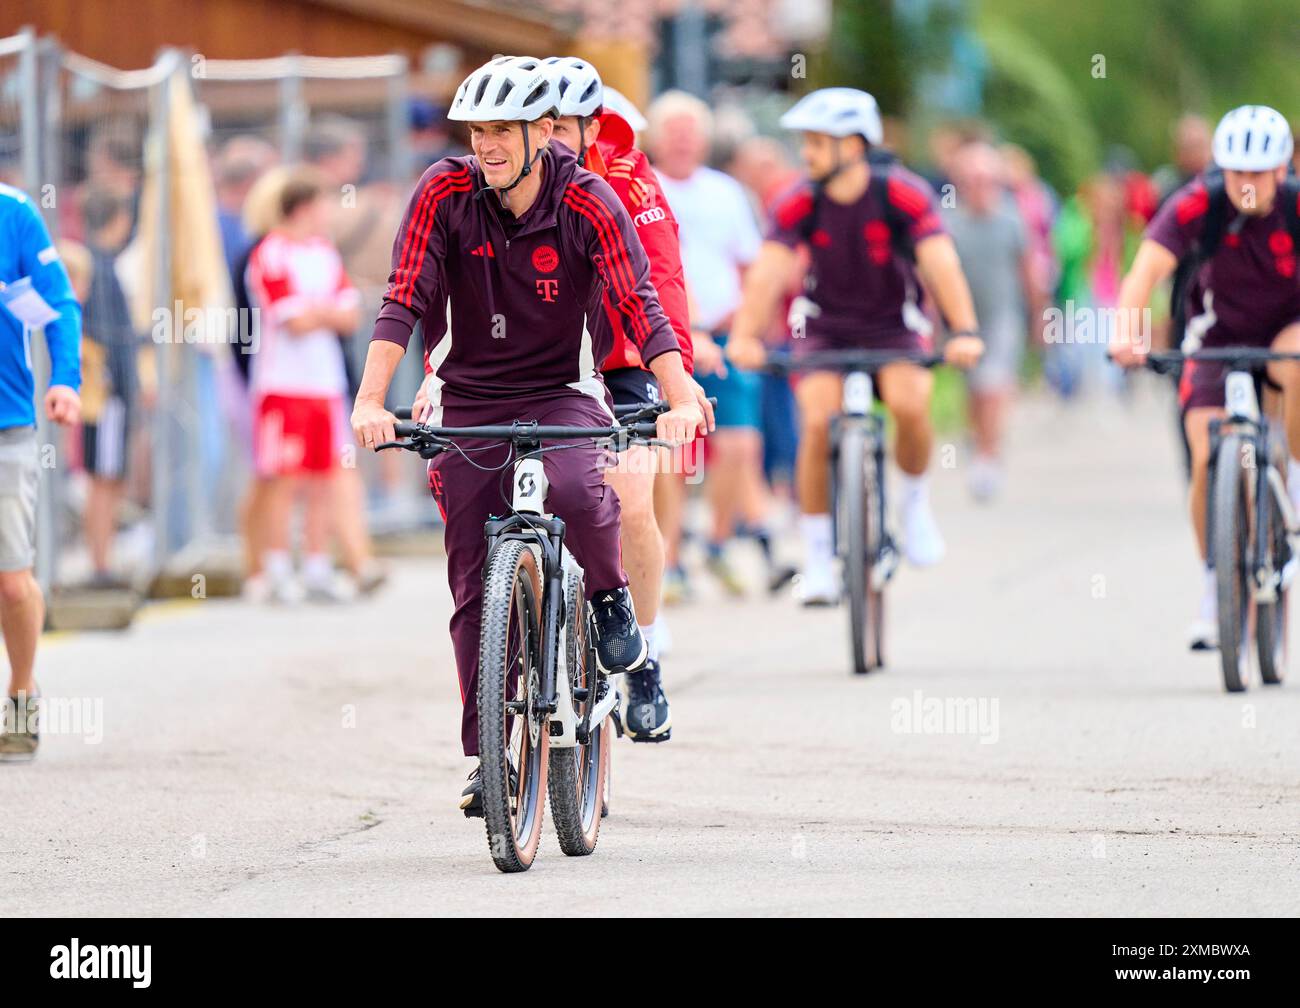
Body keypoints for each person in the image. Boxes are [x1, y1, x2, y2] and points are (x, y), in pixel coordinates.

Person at [350, 56, 706, 814]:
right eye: (478, 130)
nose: (487, 145)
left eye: (503, 130)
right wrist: (371, 399)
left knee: (584, 489)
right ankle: (488, 757)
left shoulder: (592, 197)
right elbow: (403, 294)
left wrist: (679, 393)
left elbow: (643, 303)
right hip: (468, 393)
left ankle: (611, 601)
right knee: (472, 580)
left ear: (544, 132)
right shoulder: (443, 191)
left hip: (565, 388)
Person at [727, 88, 983, 603]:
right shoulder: (800, 200)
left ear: (855, 146)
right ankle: (819, 558)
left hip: (895, 324)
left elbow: (940, 262)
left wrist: (964, 330)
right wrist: (745, 336)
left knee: (911, 403)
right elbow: (769, 272)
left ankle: (913, 506)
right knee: (816, 421)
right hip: (827, 326)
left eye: (818, 142)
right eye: (806, 142)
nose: (807, 153)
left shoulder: (903, 194)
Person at [537, 57, 708, 742]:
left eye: (560, 124)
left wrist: (679, 383)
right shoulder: (491, 181)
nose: (546, 138)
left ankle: (646, 652)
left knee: (630, 499)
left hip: (620, 357)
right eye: (534, 124)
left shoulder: (628, 174)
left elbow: (662, 276)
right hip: (536, 363)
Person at [1111, 105, 1300, 650]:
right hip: (1215, 339)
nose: (1246, 183)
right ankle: (1216, 586)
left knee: (1293, 361)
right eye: (1235, 171)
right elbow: (1144, 269)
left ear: (1281, 170)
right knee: (1205, 454)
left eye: (1258, 171)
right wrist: (1127, 334)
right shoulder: (1198, 203)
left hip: (1286, 329)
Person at [646, 90, 771, 599]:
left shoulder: (726, 191)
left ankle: (718, 542)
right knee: (673, 449)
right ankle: (670, 559)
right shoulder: (644, 187)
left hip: (725, 330)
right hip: (666, 335)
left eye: (689, 131)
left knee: (738, 444)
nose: (681, 140)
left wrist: (748, 326)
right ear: (655, 138)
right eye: (672, 131)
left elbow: (750, 264)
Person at [245, 167, 362, 603]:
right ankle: (276, 568)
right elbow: (291, 320)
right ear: (304, 207)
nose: (329, 212)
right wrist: (322, 312)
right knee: (283, 479)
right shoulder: (271, 252)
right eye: (323, 203)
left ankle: (316, 567)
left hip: (325, 386)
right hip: (282, 386)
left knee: (324, 478)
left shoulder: (325, 253)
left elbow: (349, 315)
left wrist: (319, 313)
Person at [0, 182, 82, 761]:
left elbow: (58, 303)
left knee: (9, 579)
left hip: (8, 422)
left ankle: (22, 690)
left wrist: (64, 379)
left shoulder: (13, 212)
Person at [943, 141, 1045, 501]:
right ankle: (979, 441)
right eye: (972, 180)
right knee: (972, 389)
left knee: (993, 386)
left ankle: (988, 456)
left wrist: (1038, 317)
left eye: (986, 180)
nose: (980, 187)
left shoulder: (1011, 220)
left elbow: (1029, 270)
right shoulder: (950, 222)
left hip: (1003, 317)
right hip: (964, 319)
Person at [73, 189, 143, 583]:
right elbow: (104, 335)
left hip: (108, 393)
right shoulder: (96, 268)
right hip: (106, 394)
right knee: (103, 475)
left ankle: (104, 559)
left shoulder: (100, 265)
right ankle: (100, 562)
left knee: (110, 474)